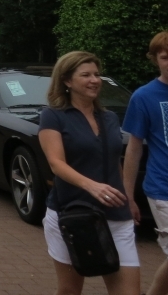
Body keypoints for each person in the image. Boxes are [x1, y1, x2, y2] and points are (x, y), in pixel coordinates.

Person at [38, 51, 140, 295]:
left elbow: (114, 161)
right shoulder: (53, 117)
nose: (95, 80)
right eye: (86, 75)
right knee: (70, 290)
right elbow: (56, 163)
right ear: (67, 81)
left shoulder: (110, 118)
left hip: (116, 215)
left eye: (97, 74)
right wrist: (92, 186)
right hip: (73, 214)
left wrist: (129, 197)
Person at [124, 32, 168, 295]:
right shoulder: (144, 96)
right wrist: (128, 196)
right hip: (162, 188)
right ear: (155, 60)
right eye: (165, 57)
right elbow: (134, 149)